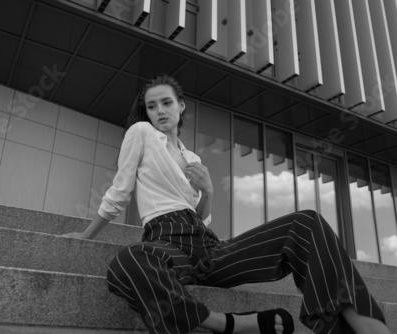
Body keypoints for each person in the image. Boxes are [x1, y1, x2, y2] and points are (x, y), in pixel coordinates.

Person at [64, 75, 390, 334]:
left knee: (306, 224)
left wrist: (208, 192)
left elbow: (202, 218)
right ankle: (226, 323)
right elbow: (120, 190)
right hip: (165, 242)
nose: (159, 111)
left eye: (166, 103)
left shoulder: (192, 158)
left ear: (181, 107)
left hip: (208, 247)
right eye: (152, 106)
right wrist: (86, 235)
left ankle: (367, 326)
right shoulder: (141, 134)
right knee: (126, 263)